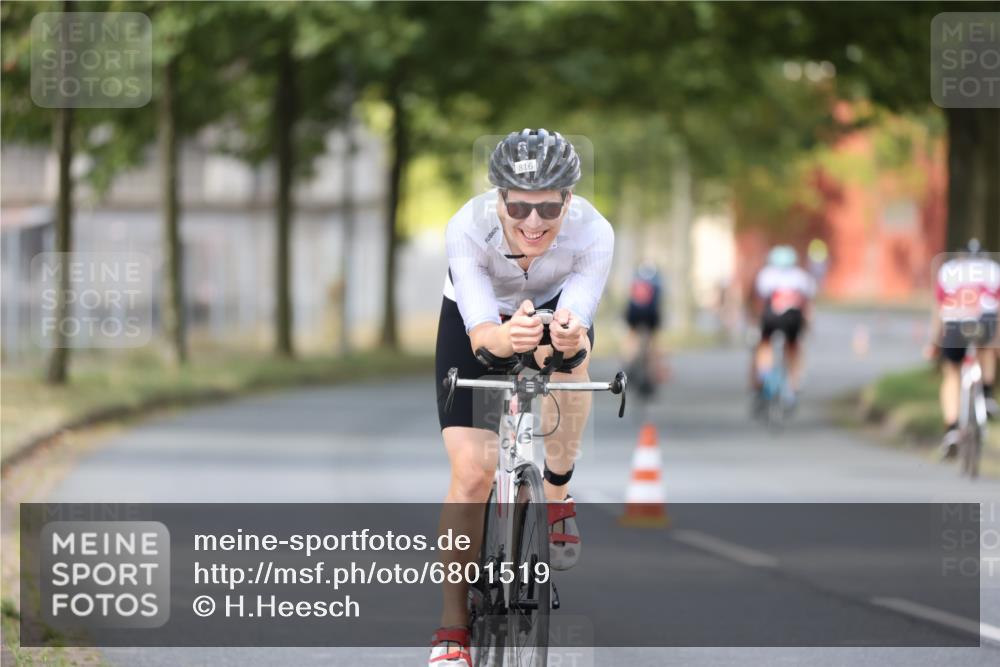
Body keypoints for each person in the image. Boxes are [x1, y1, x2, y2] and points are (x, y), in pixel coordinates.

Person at [430, 129, 614, 667]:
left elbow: (577, 320)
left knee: (572, 361)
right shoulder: (467, 226)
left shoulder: (594, 233)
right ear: (498, 198)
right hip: (477, 316)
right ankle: (452, 628)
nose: (533, 222)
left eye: (548, 208)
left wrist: (567, 340)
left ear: (569, 202)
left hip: (555, 309)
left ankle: (556, 492)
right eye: (519, 206)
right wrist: (501, 337)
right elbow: (482, 331)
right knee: (471, 472)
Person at [927, 239, 1000, 459]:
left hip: (955, 321)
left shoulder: (949, 269)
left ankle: (951, 429)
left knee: (951, 372)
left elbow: (939, 307)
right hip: (984, 320)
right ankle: (986, 395)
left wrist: (933, 343)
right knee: (985, 350)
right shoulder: (993, 270)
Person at [749, 245, 817, 408]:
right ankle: (792, 387)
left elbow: (759, 301)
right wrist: (809, 325)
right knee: (793, 349)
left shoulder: (766, 275)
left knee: (764, 344)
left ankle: (764, 376)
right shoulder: (801, 277)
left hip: (771, 317)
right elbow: (807, 304)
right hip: (793, 318)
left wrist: (754, 321)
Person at [623, 262, 666, 398]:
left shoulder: (636, 277)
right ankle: (650, 377)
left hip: (634, 313)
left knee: (631, 339)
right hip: (652, 315)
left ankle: (626, 369)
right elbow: (659, 301)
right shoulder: (657, 280)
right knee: (653, 344)